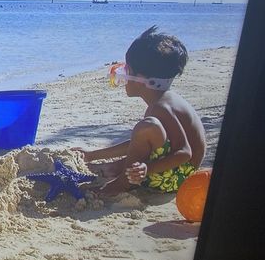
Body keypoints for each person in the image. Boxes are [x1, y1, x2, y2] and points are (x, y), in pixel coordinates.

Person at [78, 26, 205, 195]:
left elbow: (184, 153)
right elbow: (137, 145)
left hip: (177, 177)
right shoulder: (163, 100)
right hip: (177, 169)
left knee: (146, 127)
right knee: (145, 131)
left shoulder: (161, 108)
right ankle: (111, 168)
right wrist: (92, 155)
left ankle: (122, 184)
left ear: (141, 80)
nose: (122, 77)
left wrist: (146, 168)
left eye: (126, 71)